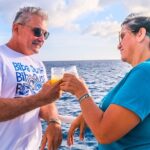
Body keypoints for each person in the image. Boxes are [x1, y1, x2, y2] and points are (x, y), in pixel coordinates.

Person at [60, 13, 150, 149]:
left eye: (122, 36)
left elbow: (104, 134)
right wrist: (89, 113)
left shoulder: (145, 72)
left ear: (140, 34)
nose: (118, 46)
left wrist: (81, 92)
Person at [0, 6, 62, 150]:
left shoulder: (37, 64)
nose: (42, 38)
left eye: (45, 34)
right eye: (37, 31)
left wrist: (54, 121)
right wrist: (40, 99)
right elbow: (42, 98)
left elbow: (46, 101)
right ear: (16, 29)